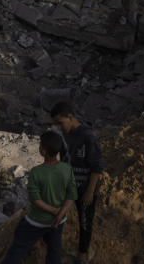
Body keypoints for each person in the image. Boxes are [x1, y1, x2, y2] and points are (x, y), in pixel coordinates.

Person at [0, 131, 77, 264]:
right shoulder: (67, 169)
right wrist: (60, 213)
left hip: (37, 221)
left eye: (40, 145)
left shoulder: (36, 172)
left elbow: (35, 199)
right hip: (58, 221)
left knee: (19, 245)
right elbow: (72, 195)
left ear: (43, 151)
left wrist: (53, 211)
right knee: (55, 250)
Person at [51, 103, 104, 264]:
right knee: (56, 214)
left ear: (71, 117)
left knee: (85, 221)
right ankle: (53, 246)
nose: (59, 127)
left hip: (85, 189)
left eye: (60, 122)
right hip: (69, 186)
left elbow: (97, 167)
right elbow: (63, 161)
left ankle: (82, 254)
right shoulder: (64, 136)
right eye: (56, 124)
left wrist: (90, 191)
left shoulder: (88, 136)